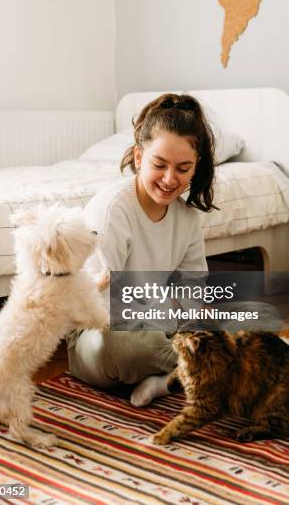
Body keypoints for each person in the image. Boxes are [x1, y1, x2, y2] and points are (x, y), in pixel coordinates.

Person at [67, 93, 216, 406]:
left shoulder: (186, 218)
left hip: (161, 325)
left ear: (195, 167)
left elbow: (193, 290)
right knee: (130, 348)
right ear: (138, 158)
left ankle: (166, 381)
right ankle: (199, 372)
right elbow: (104, 306)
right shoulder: (113, 210)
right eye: (159, 165)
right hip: (101, 335)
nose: (169, 179)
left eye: (183, 168)